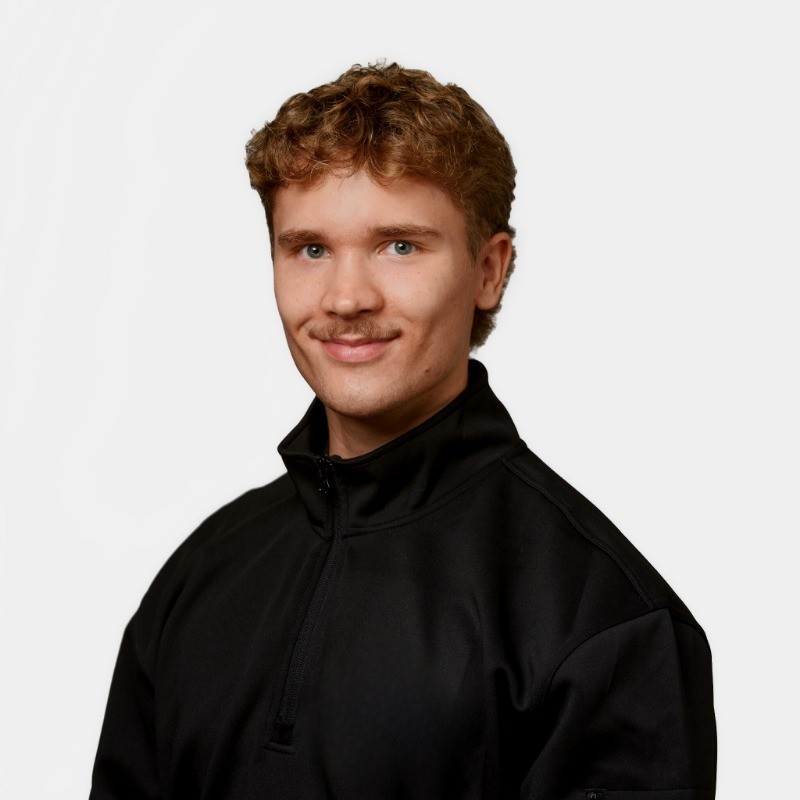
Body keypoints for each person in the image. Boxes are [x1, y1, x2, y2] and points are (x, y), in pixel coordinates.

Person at [90, 62, 716, 799]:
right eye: (311, 249)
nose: (346, 298)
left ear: (489, 270)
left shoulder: (606, 622)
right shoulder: (200, 575)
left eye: (400, 246)